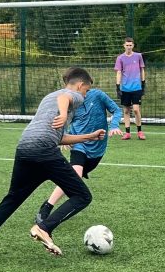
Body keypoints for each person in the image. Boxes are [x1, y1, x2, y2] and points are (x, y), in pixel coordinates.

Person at [0, 67, 106, 258]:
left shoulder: (48, 97)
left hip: (25, 148)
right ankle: (44, 228)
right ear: (80, 85)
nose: (85, 94)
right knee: (82, 196)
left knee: (12, 199)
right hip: (44, 151)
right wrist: (65, 114)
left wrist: (89, 136)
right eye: (86, 90)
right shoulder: (73, 95)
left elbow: (57, 136)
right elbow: (65, 98)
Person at [36, 80, 122, 225]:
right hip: (79, 145)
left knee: (74, 179)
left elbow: (117, 110)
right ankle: (47, 207)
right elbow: (64, 121)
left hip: (98, 148)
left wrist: (114, 125)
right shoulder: (69, 102)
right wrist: (65, 137)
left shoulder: (98, 95)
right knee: (75, 175)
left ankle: (49, 207)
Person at [115, 37, 146, 140]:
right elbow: (119, 72)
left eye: (130, 45)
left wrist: (143, 84)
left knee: (136, 110)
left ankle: (140, 132)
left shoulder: (138, 56)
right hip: (125, 89)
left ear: (133, 45)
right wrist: (118, 87)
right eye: (127, 45)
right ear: (124, 45)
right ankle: (127, 133)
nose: (128, 47)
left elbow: (142, 70)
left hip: (136, 87)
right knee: (126, 110)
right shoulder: (120, 58)